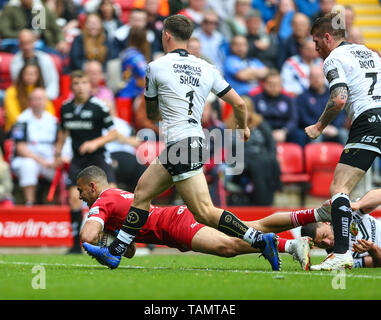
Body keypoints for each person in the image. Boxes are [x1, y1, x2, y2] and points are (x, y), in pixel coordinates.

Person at [83, 14, 281, 271]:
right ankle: (116, 251)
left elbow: (152, 114)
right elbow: (240, 103)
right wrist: (243, 127)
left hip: (179, 144)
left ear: (166, 35)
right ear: (189, 38)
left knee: (205, 212)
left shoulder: (156, 66)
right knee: (142, 193)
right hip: (196, 142)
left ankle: (259, 239)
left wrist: (161, 108)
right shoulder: (207, 68)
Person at [78, 165, 311, 269]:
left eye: (80, 191)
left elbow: (86, 237)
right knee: (253, 227)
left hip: (174, 224)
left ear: (92, 186)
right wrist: (112, 238)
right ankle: (297, 237)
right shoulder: (116, 195)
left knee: (227, 247)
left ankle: (289, 245)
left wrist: (99, 240)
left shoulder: (103, 200)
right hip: (174, 220)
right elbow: (130, 251)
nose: (80, 197)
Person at [304, 13, 381, 270]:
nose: (315, 48)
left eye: (316, 41)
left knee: (339, 188)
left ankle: (341, 252)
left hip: (369, 121)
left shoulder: (333, 59)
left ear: (328, 37)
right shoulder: (369, 52)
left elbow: (339, 98)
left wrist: (319, 126)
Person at [54, 70, 118, 254]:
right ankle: (75, 245)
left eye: (83, 83)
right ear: (71, 86)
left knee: (111, 196)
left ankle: (120, 238)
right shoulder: (65, 108)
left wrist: (94, 142)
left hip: (98, 157)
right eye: (76, 83)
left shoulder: (99, 107)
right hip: (78, 160)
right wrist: (58, 152)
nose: (80, 87)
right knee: (74, 197)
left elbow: (114, 132)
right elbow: (63, 132)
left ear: (89, 86)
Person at [10, 88, 59, 205]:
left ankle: (61, 205)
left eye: (40, 99)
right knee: (28, 165)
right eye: (34, 99)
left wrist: (57, 159)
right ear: (30, 101)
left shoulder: (53, 120)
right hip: (28, 158)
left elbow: (59, 144)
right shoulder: (22, 120)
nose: (37, 102)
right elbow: (20, 149)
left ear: (46, 101)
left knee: (64, 168)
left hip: (49, 160)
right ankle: (29, 203)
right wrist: (42, 161)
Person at [288, 65, 348, 147]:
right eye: (313, 76)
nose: (316, 79)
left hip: (333, 129)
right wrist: (319, 128)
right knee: (315, 136)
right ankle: (315, 159)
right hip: (314, 129)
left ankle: (349, 158)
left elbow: (340, 113)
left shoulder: (334, 95)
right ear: (308, 78)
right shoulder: (302, 97)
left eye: (318, 76)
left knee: (344, 133)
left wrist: (334, 127)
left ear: (324, 78)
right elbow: (303, 118)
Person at [4, 61, 56, 132]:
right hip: (17, 129)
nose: (30, 76)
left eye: (33, 74)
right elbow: (13, 115)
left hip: (40, 130)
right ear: (21, 75)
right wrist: (30, 128)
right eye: (27, 74)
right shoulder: (11, 91)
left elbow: (50, 112)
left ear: (38, 76)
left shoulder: (41, 92)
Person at [0, 0, 68, 54]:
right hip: (17, 44)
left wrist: (61, 41)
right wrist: (24, 35)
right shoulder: (11, 7)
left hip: (42, 44)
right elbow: (4, 31)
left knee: (58, 55)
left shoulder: (40, 7)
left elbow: (56, 29)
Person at [10, 29, 60, 101]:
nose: (26, 47)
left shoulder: (45, 59)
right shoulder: (15, 62)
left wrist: (42, 98)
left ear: (34, 41)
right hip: (23, 99)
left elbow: (53, 83)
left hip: (45, 98)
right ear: (19, 45)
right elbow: (17, 85)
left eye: (28, 42)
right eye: (23, 43)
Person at [251, 69, 298, 143]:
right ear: (264, 84)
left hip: (283, 132)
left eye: (277, 84)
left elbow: (293, 119)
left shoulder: (288, 100)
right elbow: (254, 118)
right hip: (263, 132)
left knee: (298, 135)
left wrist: (284, 131)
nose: (274, 87)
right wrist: (269, 133)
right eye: (270, 84)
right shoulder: (256, 99)